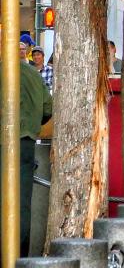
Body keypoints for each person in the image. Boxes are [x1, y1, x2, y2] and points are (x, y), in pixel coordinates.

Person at [1, 57, 52, 254]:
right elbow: (48, 108)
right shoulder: (33, 74)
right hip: (26, 143)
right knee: (22, 205)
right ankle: (20, 255)